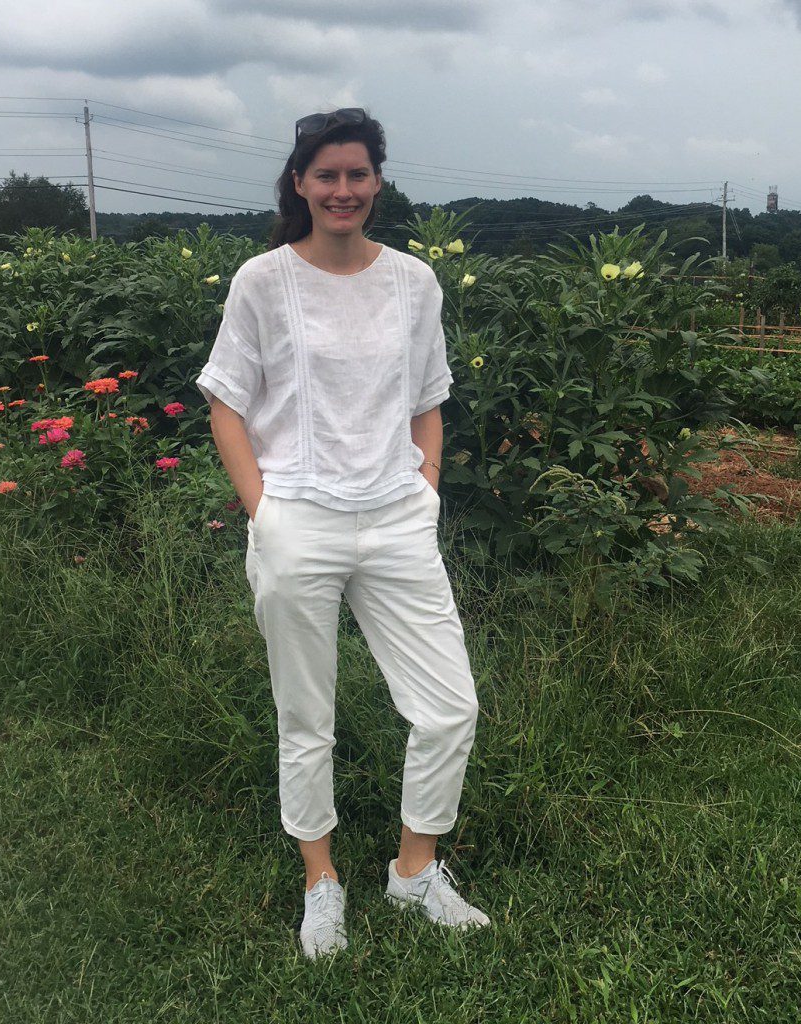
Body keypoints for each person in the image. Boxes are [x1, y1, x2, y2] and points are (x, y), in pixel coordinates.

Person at [195, 107, 489, 959]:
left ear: (378, 183)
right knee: (306, 715)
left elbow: (428, 398)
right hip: (299, 520)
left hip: (397, 517)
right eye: (326, 175)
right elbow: (226, 403)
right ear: (299, 183)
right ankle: (322, 881)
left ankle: (413, 871)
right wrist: (265, 511)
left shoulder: (415, 282)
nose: (343, 189)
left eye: (358, 174)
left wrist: (425, 486)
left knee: (447, 708)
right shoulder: (262, 280)